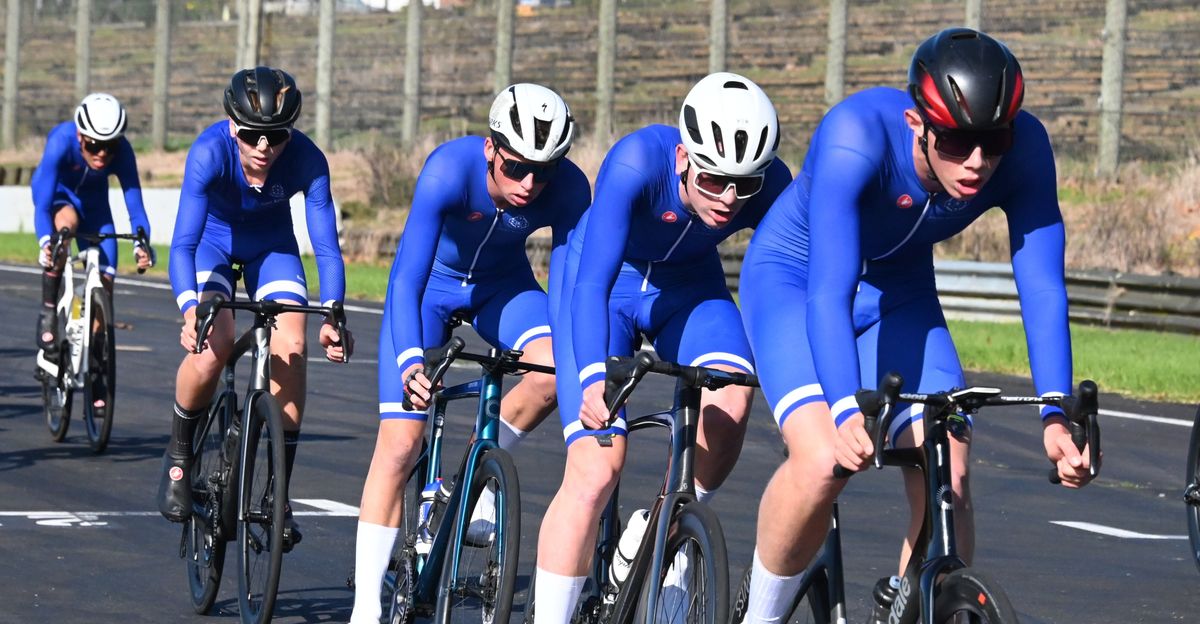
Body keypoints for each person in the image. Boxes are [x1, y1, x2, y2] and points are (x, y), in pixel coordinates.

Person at [736, 28, 1096, 623]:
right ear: (916, 124)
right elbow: (828, 294)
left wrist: (1055, 413)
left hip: (899, 292)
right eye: (955, 141)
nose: (977, 162)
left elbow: (1041, 287)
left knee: (948, 468)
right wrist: (846, 409)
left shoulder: (1026, 149)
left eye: (993, 141)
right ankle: (762, 616)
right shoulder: (856, 135)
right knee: (823, 459)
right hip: (798, 282)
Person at [533, 72, 792, 622]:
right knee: (595, 469)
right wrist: (591, 380)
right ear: (682, 159)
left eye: (744, 185)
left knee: (732, 398)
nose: (729, 199)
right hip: (606, 287)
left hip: (689, 288)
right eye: (715, 179)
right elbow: (590, 284)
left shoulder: (771, 185)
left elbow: (788, 284)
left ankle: (664, 526)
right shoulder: (636, 163)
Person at [347, 83, 590, 624]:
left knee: (552, 368)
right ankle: (365, 607)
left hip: (502, 286)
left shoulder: (570, 188)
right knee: (400, 444)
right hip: (428, 289)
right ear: (490, 148)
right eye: (516, 168)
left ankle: (466, 486)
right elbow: (405, 280)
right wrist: (411, 362)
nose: (529, 184)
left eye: (543, 172)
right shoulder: (447, 171)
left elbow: (568, 293)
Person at [157, 67, 354, 551]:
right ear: (232, 127)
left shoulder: (308, 159)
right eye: (251, 136)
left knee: (293, 345)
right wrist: (190, 310)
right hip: (213, 244)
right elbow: (182, 246)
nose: (264, 147)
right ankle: (179, 457)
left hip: (271, 247)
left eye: (277, 136)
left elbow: (326, 248)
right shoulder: (209, 152)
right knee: (215, 343)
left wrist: (333, 312)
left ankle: (277, 493)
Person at [33, 93, 153, 354]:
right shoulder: (61, 141)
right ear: (80, 136)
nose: (102, 154)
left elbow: (136, 209)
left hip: (95, 206)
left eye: (110, 146)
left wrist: (141, 245)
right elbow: (42, 207)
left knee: (106, 279)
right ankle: (48, 311)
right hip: (59, 196)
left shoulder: (123, 152)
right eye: (94, 145)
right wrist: (45, 242)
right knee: (66, 227)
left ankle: (97, 359)